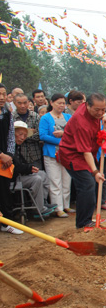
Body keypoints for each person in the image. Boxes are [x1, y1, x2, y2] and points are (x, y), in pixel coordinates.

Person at [58, 93, 106, 229]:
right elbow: (85, 152)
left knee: (90, 184)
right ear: (87, 106)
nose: (100, 112)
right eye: (97, 110)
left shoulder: (92, 111)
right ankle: (83, 223)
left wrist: (105, 116)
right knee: (87, 184)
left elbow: (101, 114)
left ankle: (87, 219)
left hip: (87, 152)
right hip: (73, 155)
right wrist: (95, 171)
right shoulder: (81, 122)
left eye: (103, 109)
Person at [39, 93, 73, 218]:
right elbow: (42, 135)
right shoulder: (46, 118)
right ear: (51, 103)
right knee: (55, 181)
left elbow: (73, 133)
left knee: (66, 179)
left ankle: (66, 205)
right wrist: (61, 141)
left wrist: (64, 135)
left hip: (67, 153)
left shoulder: (68, 117)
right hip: (51, 153)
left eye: (63, 103)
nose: (61, 105)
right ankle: (57, 207)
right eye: (59, 103)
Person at [13, 121, 56, 217]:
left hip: (20, 175)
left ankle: (43, 202)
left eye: (24, 135)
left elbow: (21, 163)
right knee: (36, 179)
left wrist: (29, 168)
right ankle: (38, 208)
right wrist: (28, 168)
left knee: (42, 174)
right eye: (20, 134)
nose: (23, 137)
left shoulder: (18, 146)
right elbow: (15, 166)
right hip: (12, 178)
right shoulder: (10, 147)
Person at [0, 83, 23, 235]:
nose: (2, 98)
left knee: (4, 191)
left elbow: (10, 136)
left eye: (4, 94)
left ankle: (6, 222)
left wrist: (9, 155)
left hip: (4, 161)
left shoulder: (7, 113)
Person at [12, 93, 43, 169]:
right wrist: (30, 132)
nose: (22, 106)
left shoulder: (35, 116)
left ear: (29, 102)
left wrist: (21, 136)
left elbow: (40, 135)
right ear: (14, 103)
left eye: (25, 103)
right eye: (19, 103)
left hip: (35, 155)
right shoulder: (11, 117)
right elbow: (10, 136)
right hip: (18, 155)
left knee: (40, 177)